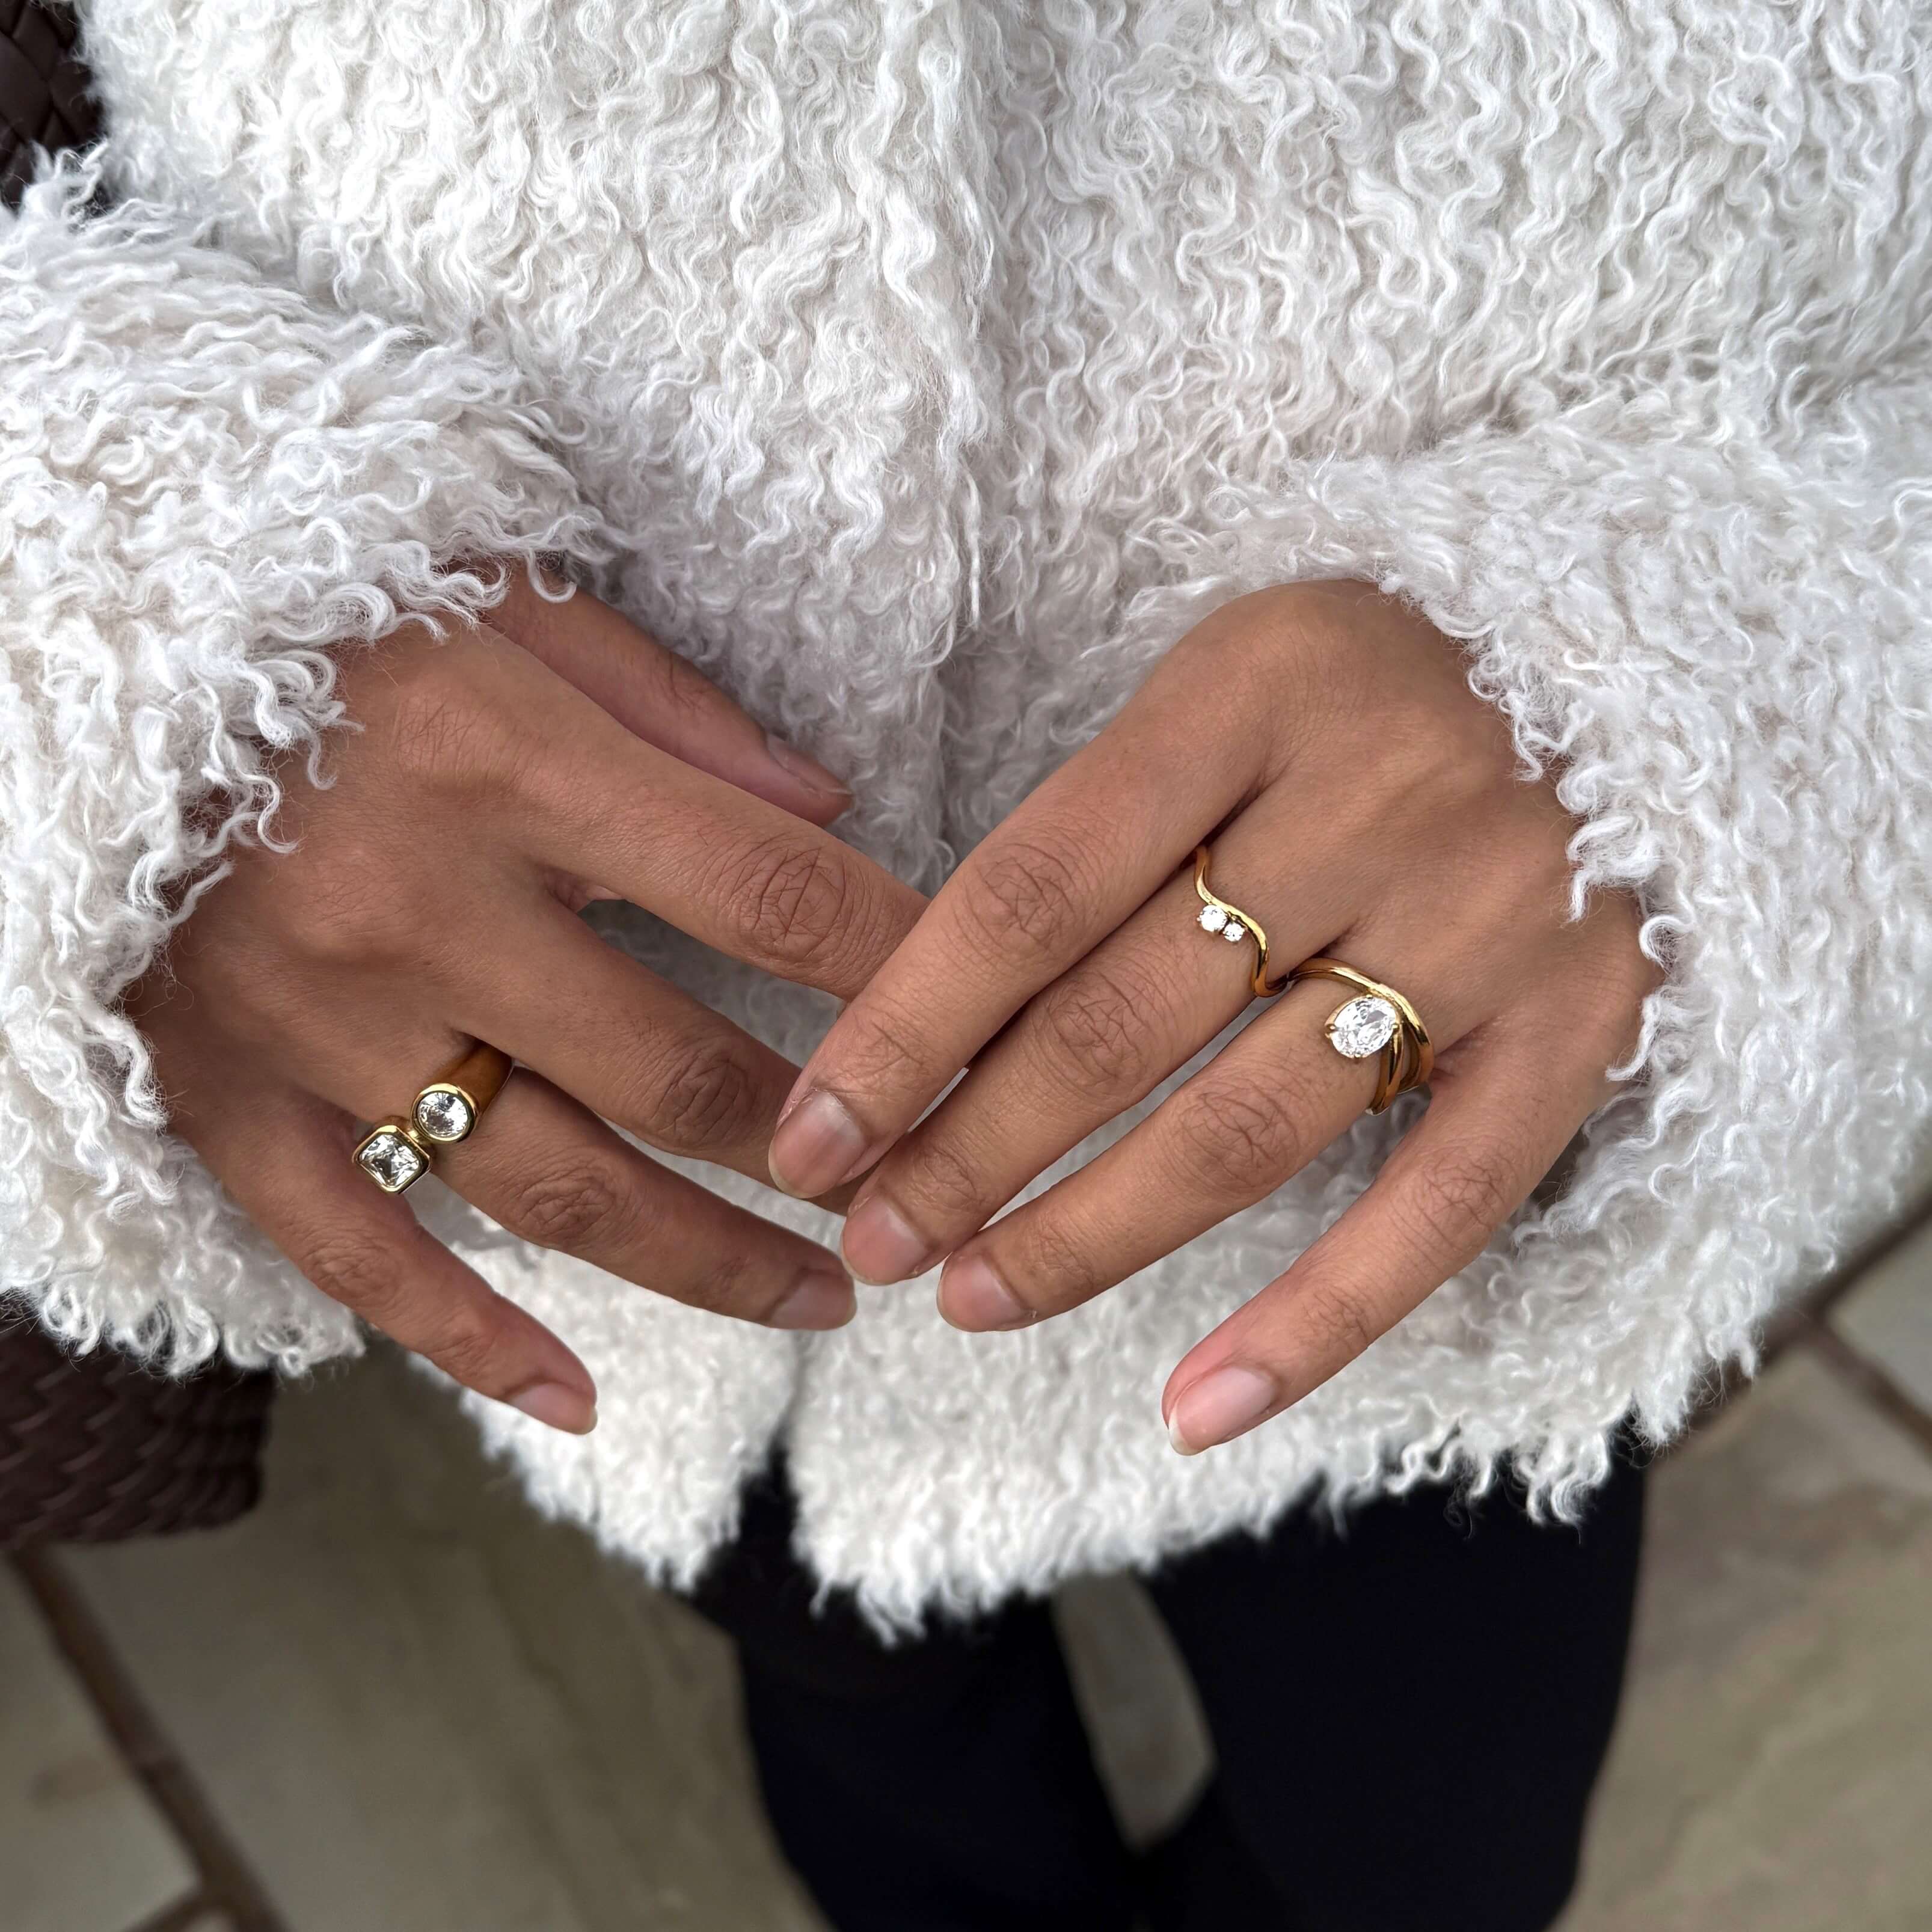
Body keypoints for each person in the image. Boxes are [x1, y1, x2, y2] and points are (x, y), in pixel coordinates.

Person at [2, 4, 1925, 1926]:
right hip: (630, 1256)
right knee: (884, 1769)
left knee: (1427, 1852)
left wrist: (1711, 690)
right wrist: (126, 653)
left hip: (1419, 1205)